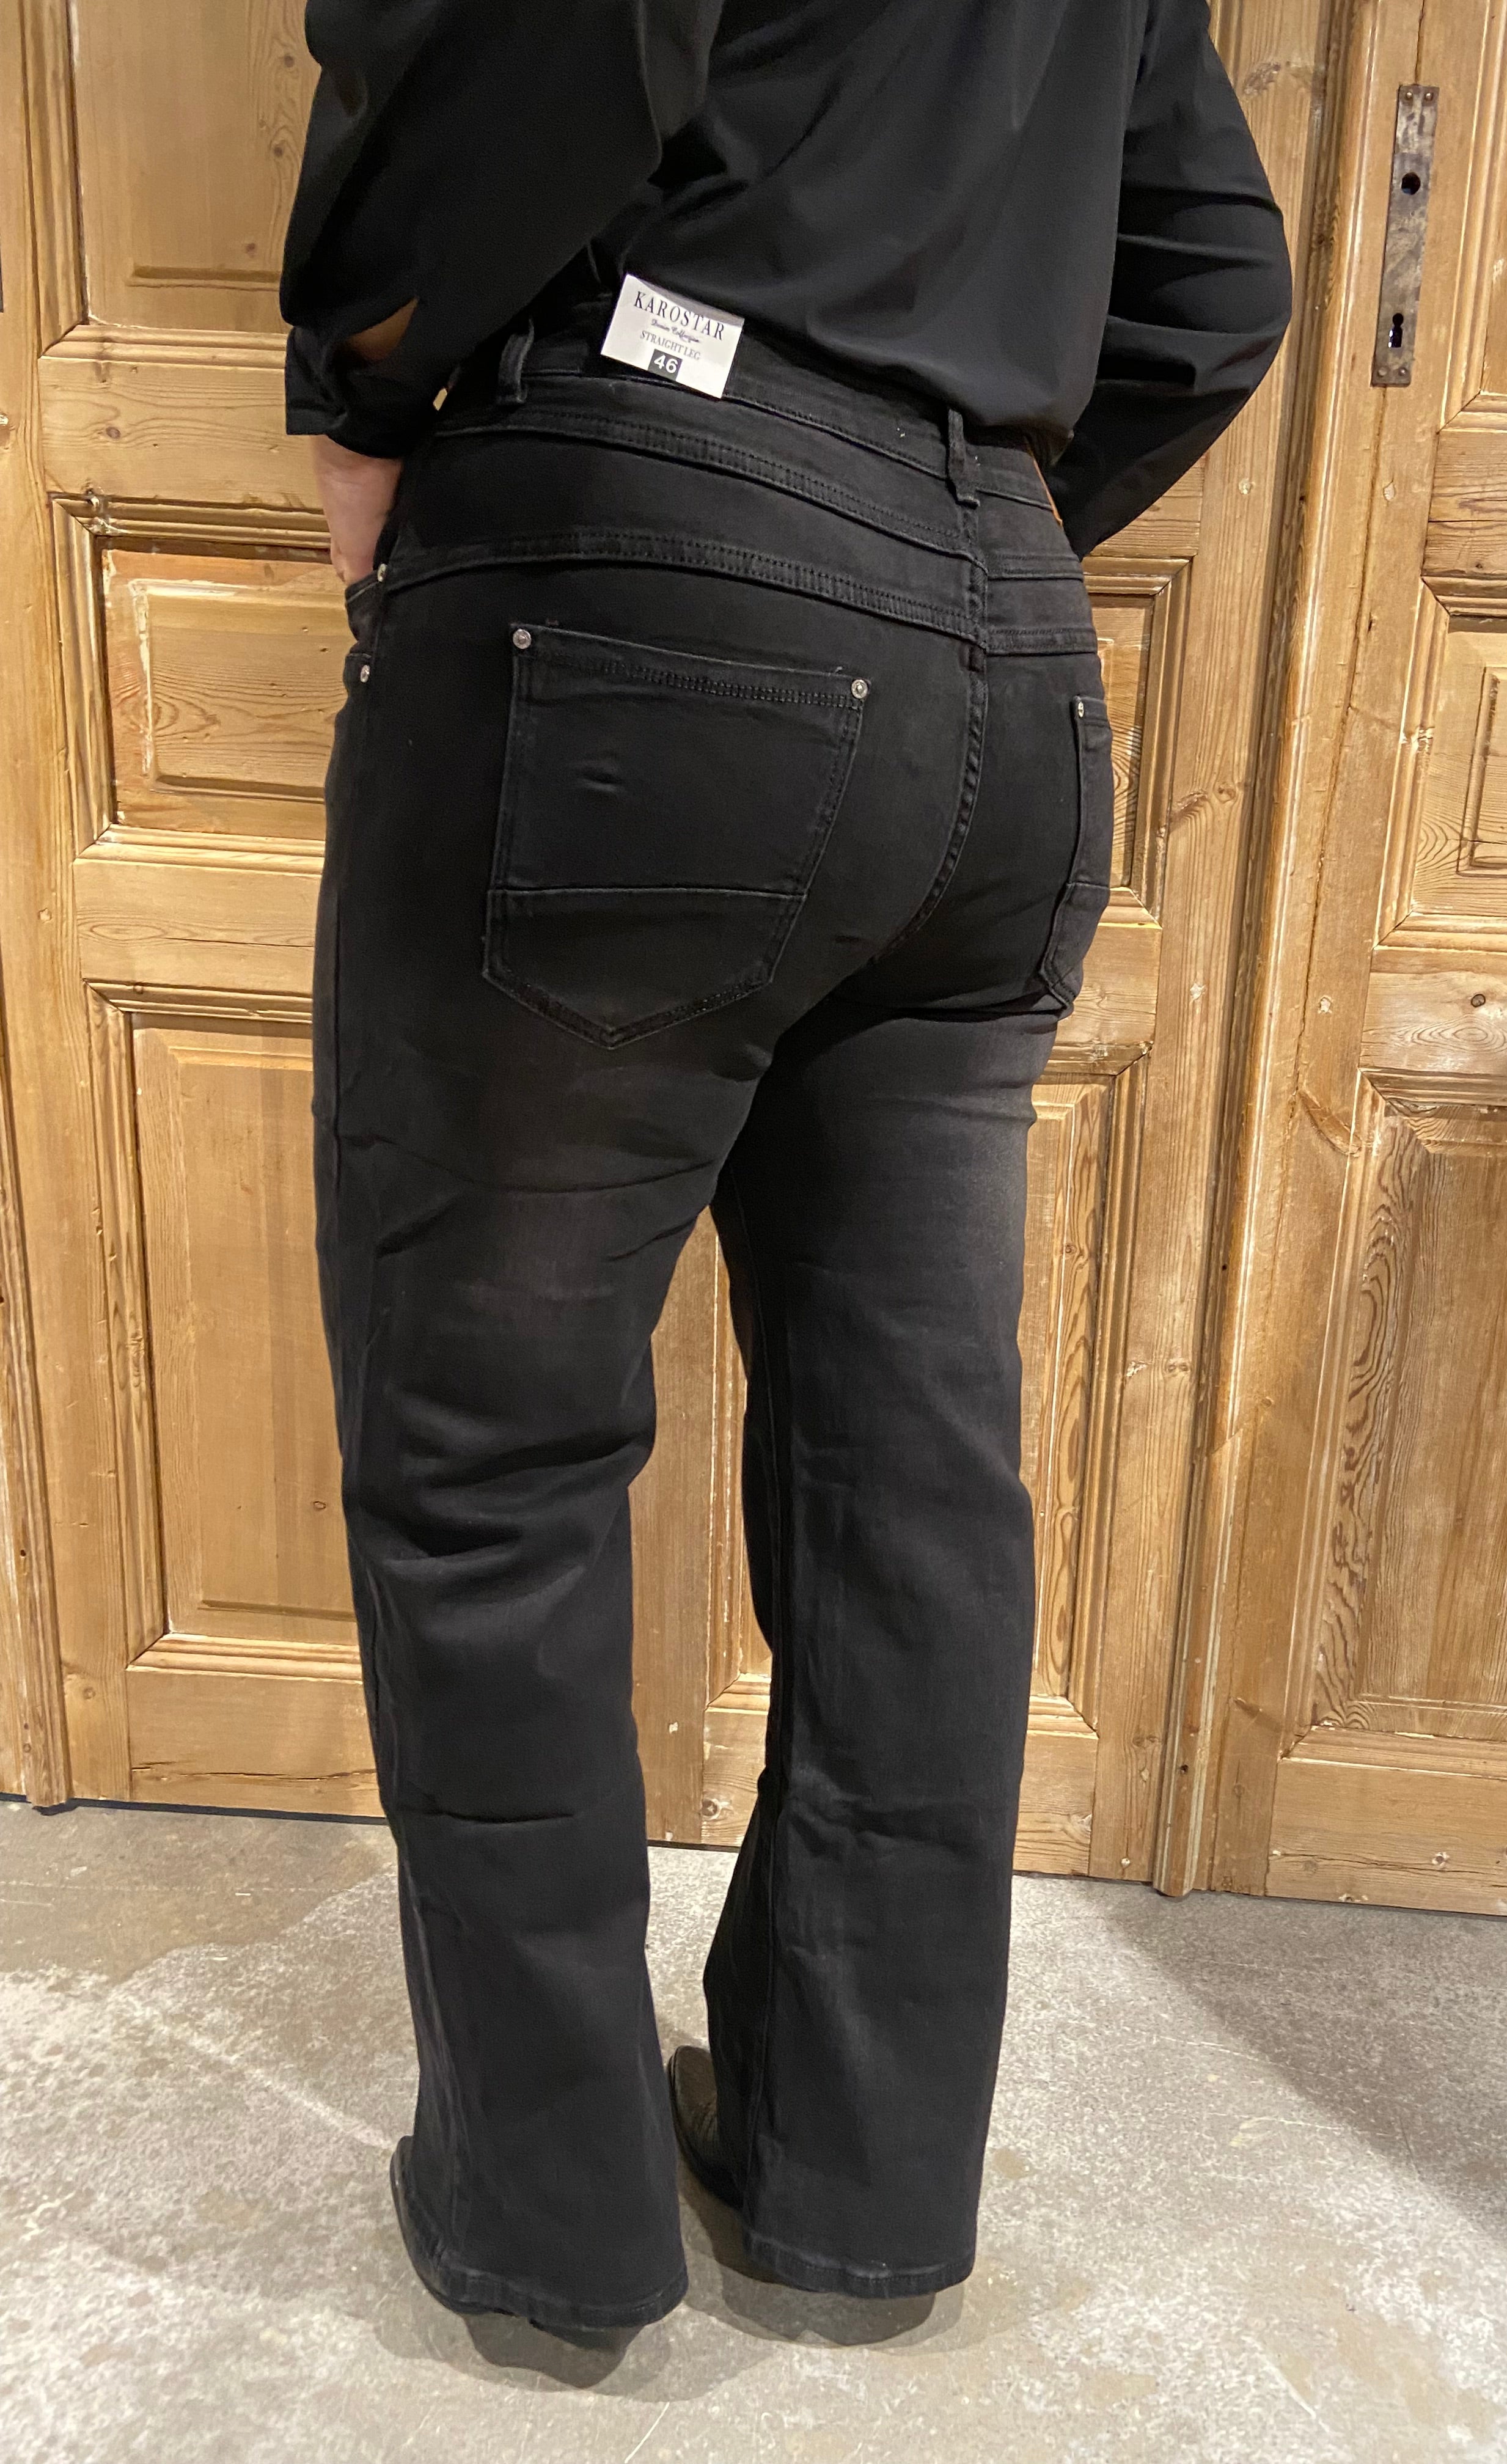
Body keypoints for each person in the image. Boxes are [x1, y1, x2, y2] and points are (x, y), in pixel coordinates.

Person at [283, 0, 1290, 2335]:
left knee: (491, 1463)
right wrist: (909, 527)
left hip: (634, 555)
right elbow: (1214, 281)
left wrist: (362, 384)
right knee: (906, 1471)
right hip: (1003, 644)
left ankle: (547, 2220)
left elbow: (517, 37)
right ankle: (859, 2179)